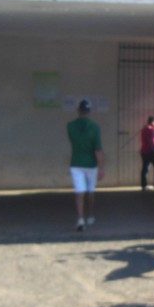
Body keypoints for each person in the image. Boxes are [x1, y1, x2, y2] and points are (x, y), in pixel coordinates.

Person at [66, 98, 104, 231]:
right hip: (91, 164)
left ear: (78, 110)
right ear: (89, 111)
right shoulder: (95, 127)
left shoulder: (70, 126)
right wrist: (101, 167)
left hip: (76, 163)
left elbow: (73, 141)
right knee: (91, 191)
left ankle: (80, 219)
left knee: (79, 192)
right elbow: (98, 149)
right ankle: (90, 214)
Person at [139, 115, 154, 191]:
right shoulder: (150, 130)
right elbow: (151, 141)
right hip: (150, 151)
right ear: (152, 122)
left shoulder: (145, 129)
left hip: (144, 151)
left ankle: (144, 185)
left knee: (145, 168)